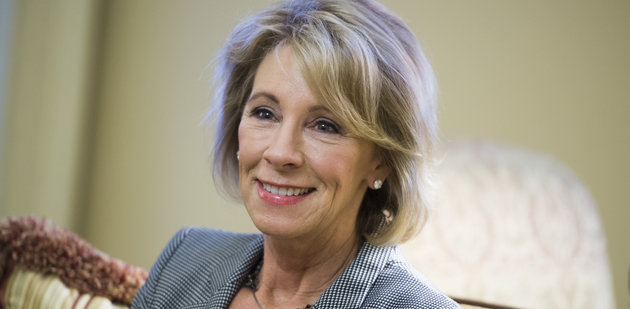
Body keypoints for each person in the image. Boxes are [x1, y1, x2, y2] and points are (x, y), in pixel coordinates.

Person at [132, 0, 459, 308]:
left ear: (381, 161)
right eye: (264, 113)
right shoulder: (184, 259)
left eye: (325, 126)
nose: (280, 153)